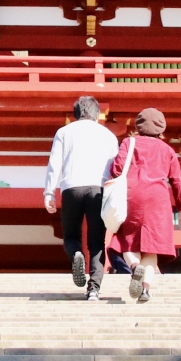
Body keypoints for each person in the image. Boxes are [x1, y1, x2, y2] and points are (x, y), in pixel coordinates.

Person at [105, 107, 181, 304]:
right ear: (161, 128)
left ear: (138, 126)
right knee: (151, 249)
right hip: (158, 200)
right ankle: (145, 291)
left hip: (131, 195)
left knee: (127, 241)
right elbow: (177, 180)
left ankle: (134, 267)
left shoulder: (129, 142)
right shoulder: (167, 150)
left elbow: (117, 169)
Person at [43, 95, 119, 301]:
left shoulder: (64, 132)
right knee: (96, 241)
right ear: (97, 114)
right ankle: (94, 288)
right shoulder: (108, 135)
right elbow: (116, 168)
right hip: (98, 189)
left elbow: (54, 163)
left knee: (71, 236)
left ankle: (77, 254)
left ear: (75, 114)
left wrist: (49, 192)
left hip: (71, 187)